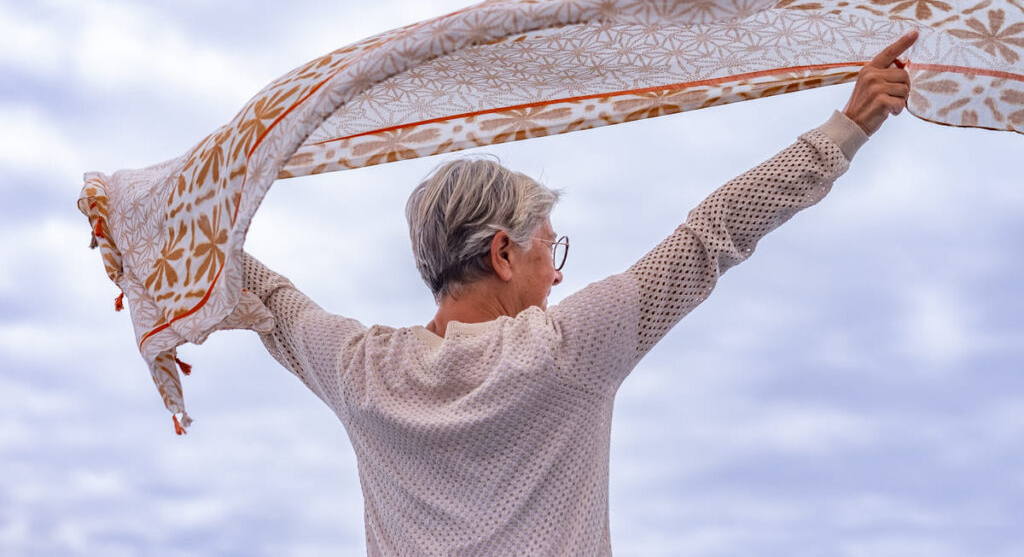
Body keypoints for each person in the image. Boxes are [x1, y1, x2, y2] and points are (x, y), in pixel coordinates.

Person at [242, 32, 918, 555]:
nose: (557, 273)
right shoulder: (566, 349)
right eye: (549, 249)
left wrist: (151, 248)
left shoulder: (361, 370)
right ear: (503, 252)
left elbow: (261, 292)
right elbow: (713, 236)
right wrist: (847, 127)